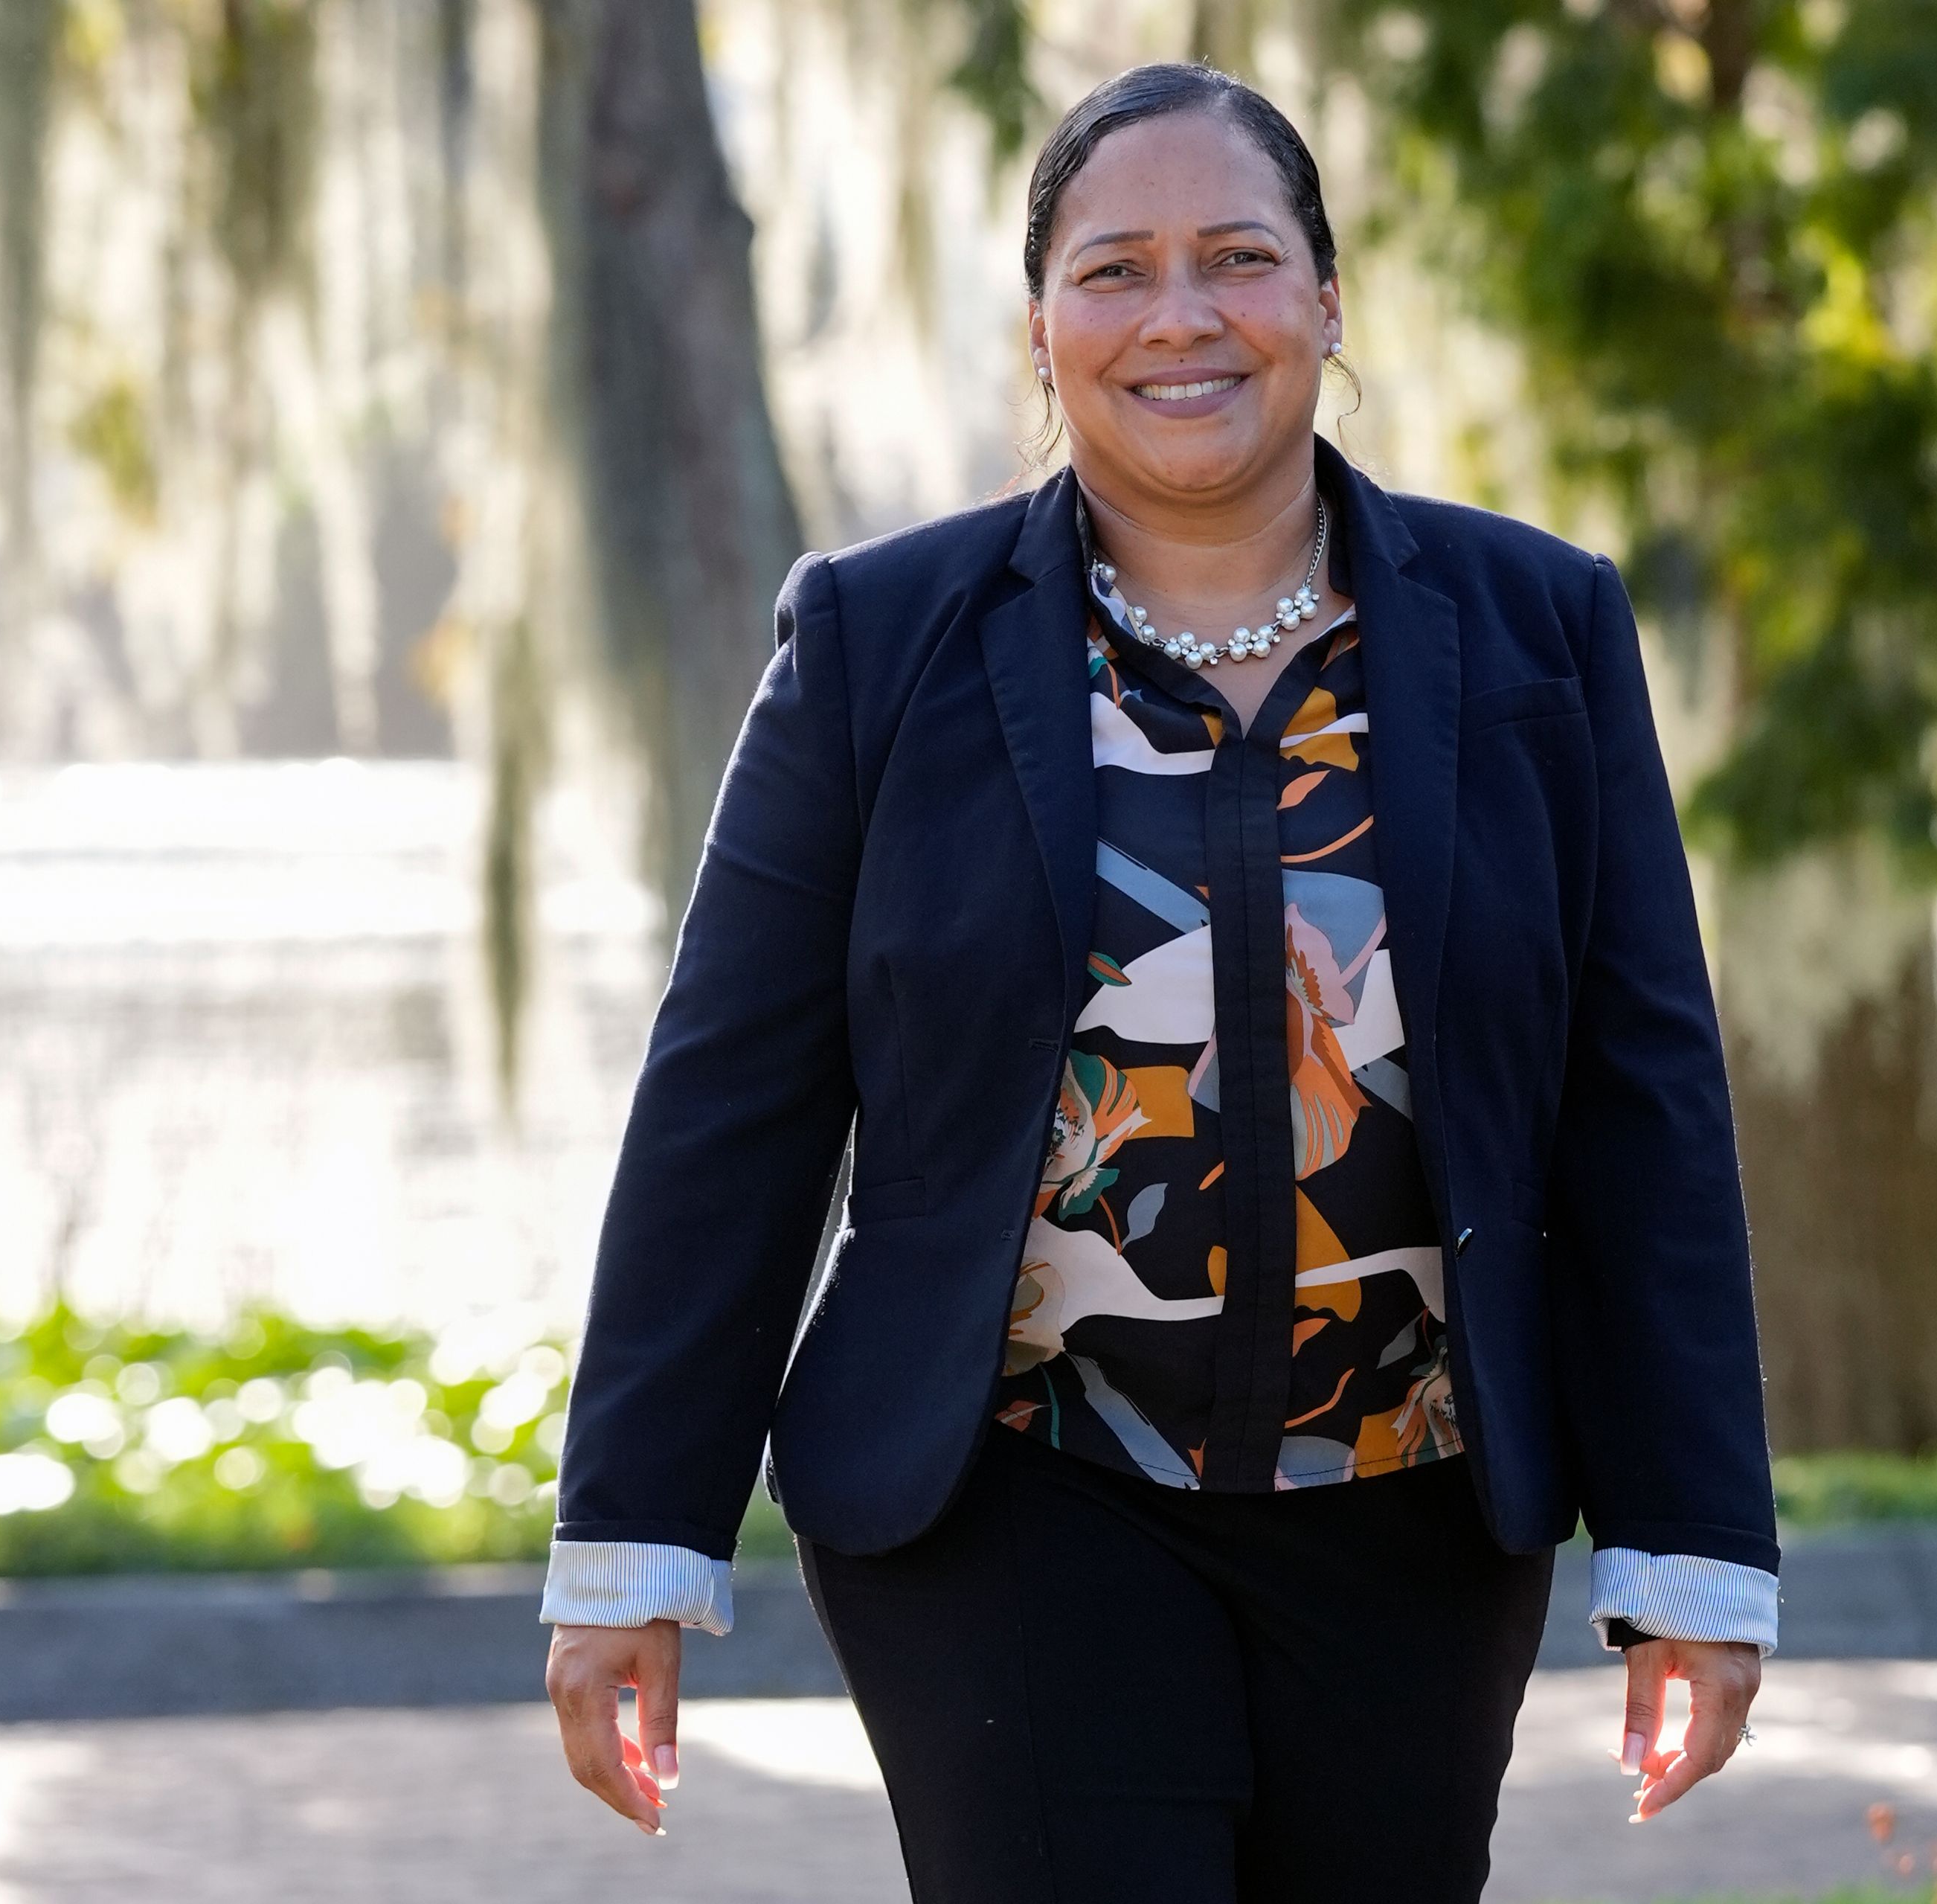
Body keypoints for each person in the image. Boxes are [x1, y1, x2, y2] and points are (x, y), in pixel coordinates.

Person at [538, 60, 1777, 1903]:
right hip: (1011, 1494)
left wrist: (1690, 1547)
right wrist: (636, 1538)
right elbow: (735, 1093)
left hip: (1420, 1512)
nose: (1179, 314)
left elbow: (1640, 1094)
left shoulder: (1537, 628)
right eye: (1113, 270)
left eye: (1238, 258)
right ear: (1041, 331)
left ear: (1328, 302)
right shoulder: (882, 642)